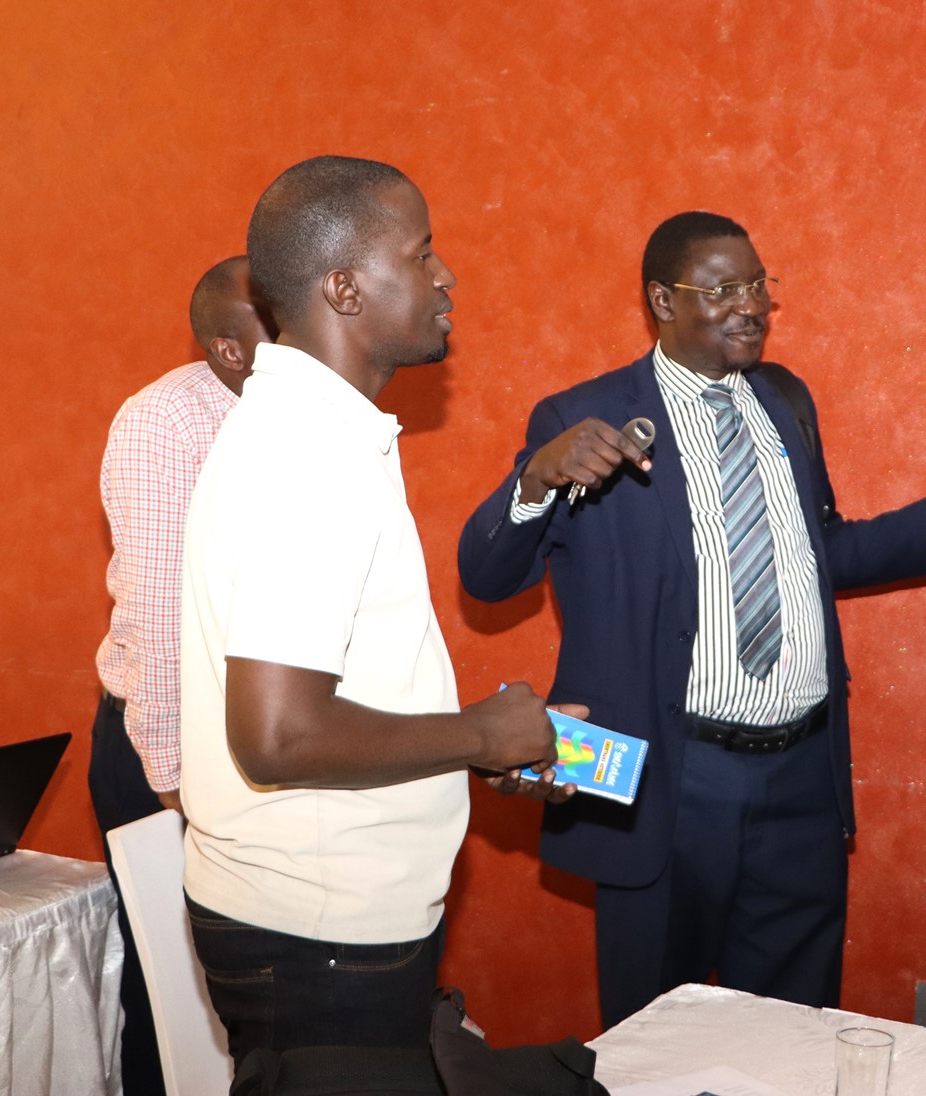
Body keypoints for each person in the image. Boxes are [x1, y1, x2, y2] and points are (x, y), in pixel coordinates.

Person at [458, 210, 926, 1028]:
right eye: (723, 289)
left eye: (757, 285)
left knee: (791, 1037)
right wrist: (535, 479)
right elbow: (488, 574)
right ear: (661, 301)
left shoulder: (784, 401)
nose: (750, 305)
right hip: (667, 780)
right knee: (659, 1039)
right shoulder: (584, 415)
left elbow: (815, 552)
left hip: (801, 781)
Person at [180, 155, 570, 1067]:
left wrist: (494, 735)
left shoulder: (321, 432)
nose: (447, 276)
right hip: (316, 942)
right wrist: (478, 736)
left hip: (321, 925)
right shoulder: (307, 453)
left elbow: (334, 688)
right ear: (345, 287)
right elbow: (276, 734)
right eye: (422, 253)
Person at [90, 254, 272, 1094]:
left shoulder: (309, 416)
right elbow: (157, 615)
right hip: (167, 743)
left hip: (263, 739)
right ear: (227, 350)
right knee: (174, 997)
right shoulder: (164, 422)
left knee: (253, 995)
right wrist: (172, 782)